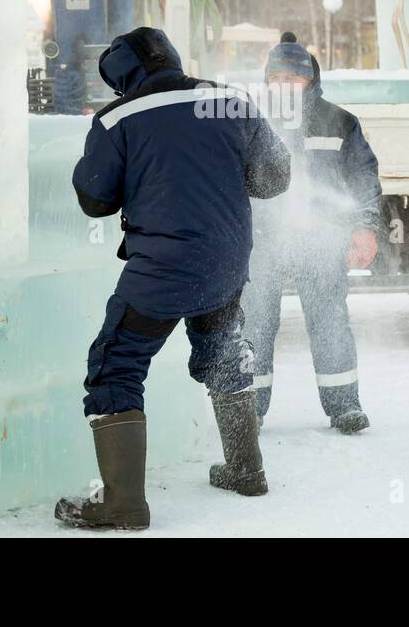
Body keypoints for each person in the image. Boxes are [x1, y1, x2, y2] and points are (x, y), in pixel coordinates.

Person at [55, 27, 291, 531]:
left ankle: (122, 504)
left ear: (122, 73)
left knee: (116, 365)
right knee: (224, 350)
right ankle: (246, 470)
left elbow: (95, 200)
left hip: (162, 268)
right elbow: (275, 178)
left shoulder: (118, 116)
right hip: (227, 261)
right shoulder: (229, 101)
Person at [241, 33, 383, 434]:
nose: (284, 85)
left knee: (330, 323)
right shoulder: (249, 120)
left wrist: (365, 228)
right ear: (266, 81)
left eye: (293, 77)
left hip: (320, 241)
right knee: (253, 326)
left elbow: (363, 179)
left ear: (310, 80)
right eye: (277, 77)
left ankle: (344, 407)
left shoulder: (339, 121)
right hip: (261, 243)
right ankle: (249, 410)